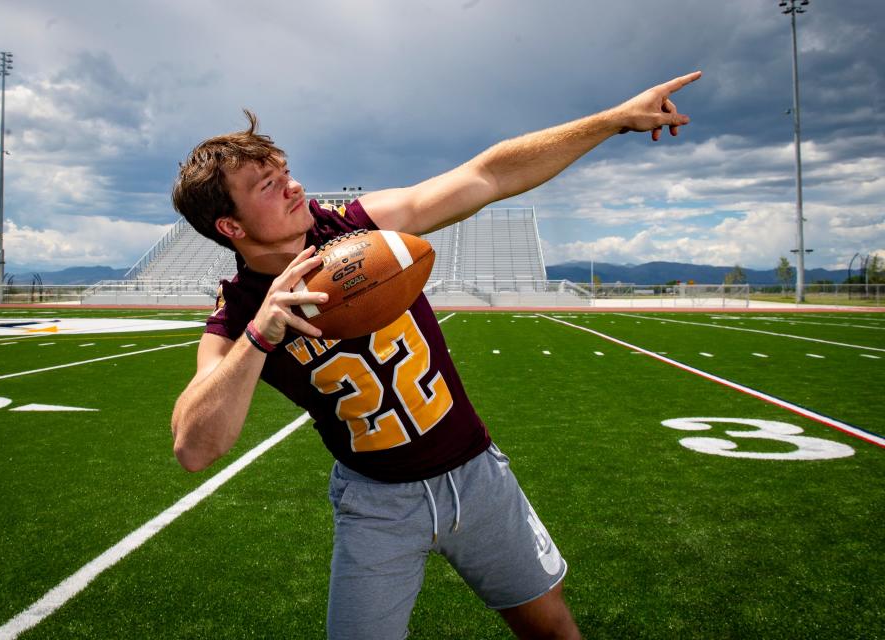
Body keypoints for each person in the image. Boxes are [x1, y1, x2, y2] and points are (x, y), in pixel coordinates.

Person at [170, 70, 702, 639]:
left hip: (478, 475)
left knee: (551, 628)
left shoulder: (358, 233)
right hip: (376, 503)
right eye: (267, 185)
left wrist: (613, 118)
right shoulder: (240, 314)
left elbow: (488, 174)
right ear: (231, 225)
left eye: (286, 172)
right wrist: (261, 336)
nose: (294, 186)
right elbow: (194, 449)